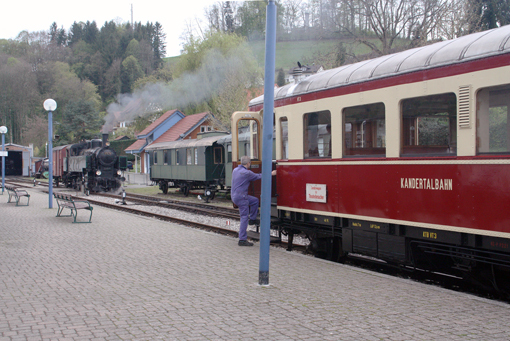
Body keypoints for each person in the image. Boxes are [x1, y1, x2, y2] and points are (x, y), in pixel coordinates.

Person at [231, 156, 277, 246]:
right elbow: (259, 176)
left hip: (235, 196)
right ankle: (242, 239)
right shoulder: (247, 173)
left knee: (255, 201)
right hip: (242, 197)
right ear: (248, 163)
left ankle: (252, 219)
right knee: (244, 217)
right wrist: (271, 174)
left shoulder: (235, 170)